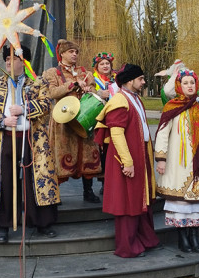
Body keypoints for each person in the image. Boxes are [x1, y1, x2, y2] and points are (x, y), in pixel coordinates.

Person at [0, 46, 59, 242]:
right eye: (7, 59)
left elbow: (46, 104)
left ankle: (42, 222)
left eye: (13, 59)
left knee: (36, 179)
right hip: (4, 139)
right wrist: (2, 120)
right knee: (4, 181)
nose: (8, 62)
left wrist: (24, 109)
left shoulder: (37, 82)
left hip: (32, 139)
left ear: (24, 62)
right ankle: (3, 225)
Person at [154, 70, 199, 254]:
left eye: (192, 83)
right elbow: (163, 134)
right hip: (176, 163)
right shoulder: (172, 106)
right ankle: (182, 238)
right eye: (185, 82)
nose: (189, 86)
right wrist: (161, 159)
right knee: (180, 203)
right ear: (180, 85)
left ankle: (194, 236)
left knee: (196, 202)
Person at [94, 64, 160, 258]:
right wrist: (127, 162)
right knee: (128, 202)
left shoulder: (135, 98)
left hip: (140, 157)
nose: (144, 82)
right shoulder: (120, 101)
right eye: (140, 79)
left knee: (142, 199)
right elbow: (116, 133)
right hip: (127, 160)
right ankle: (128, 247)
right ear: (130, 81)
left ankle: (145, 239)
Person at [42, 39, 102, 203]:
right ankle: (56, 193)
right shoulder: (52, 73)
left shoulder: (85, 72)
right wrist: (73, 84)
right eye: (71, 52)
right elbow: (52, 93)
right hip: (63, 121)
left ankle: (88, 191)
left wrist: (90, 89)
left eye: (76, 52)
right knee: (61, 154)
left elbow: (95, 92)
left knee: (87, 154)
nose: (75, 54)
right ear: (62, 54)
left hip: (84, 118)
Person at [92, 52, 117, 195]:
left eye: (107, 63)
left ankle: (112, 180)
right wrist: (99, 93)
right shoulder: (93, 79)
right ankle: (103, 181)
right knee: (101, 150)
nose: (105, 66)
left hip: (114, 117)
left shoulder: (117, 79)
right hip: (99, 118)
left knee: (112, 150)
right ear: (97, 66)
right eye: (102, 64)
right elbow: (87, 95)